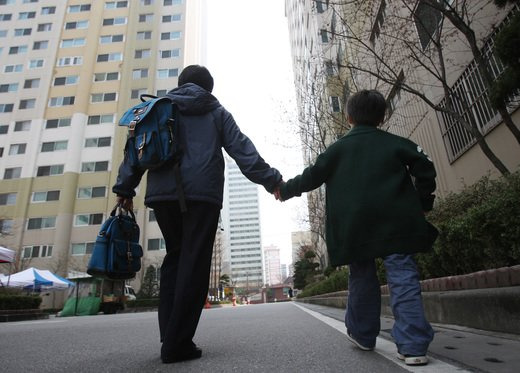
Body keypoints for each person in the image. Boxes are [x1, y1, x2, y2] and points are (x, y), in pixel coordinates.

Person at [113, 65, 283, 364]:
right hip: (202, 196)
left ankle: (170, 335)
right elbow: (242, 150)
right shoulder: (216, 112)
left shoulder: (157, 108)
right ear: (209, 88)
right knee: (194, 264)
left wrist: (125, 189)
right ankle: (177, 344)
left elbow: (134, 151)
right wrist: (272, 180)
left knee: (175, 260)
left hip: (163, 195)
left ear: (180, 85)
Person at [275, 90, 437, 366]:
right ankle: (413, 346)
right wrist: (423, 202)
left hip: (355, 227)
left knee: (361, 276)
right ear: (382, 117)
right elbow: (425, 167)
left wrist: (284, 190)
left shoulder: (336, 150)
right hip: (397, 222)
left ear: (348, 117)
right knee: (402, 275)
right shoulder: (396, 143)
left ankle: (363, 334)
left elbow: (310, 176)